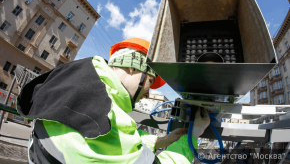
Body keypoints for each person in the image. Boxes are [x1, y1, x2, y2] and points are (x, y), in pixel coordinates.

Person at [17, 38, 210, 164]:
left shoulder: (77, 84)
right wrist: (192, 136)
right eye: (150, 82)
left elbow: (116, 146)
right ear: (134, 68)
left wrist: (161, 140)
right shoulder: (104, 116)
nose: (148, 94)